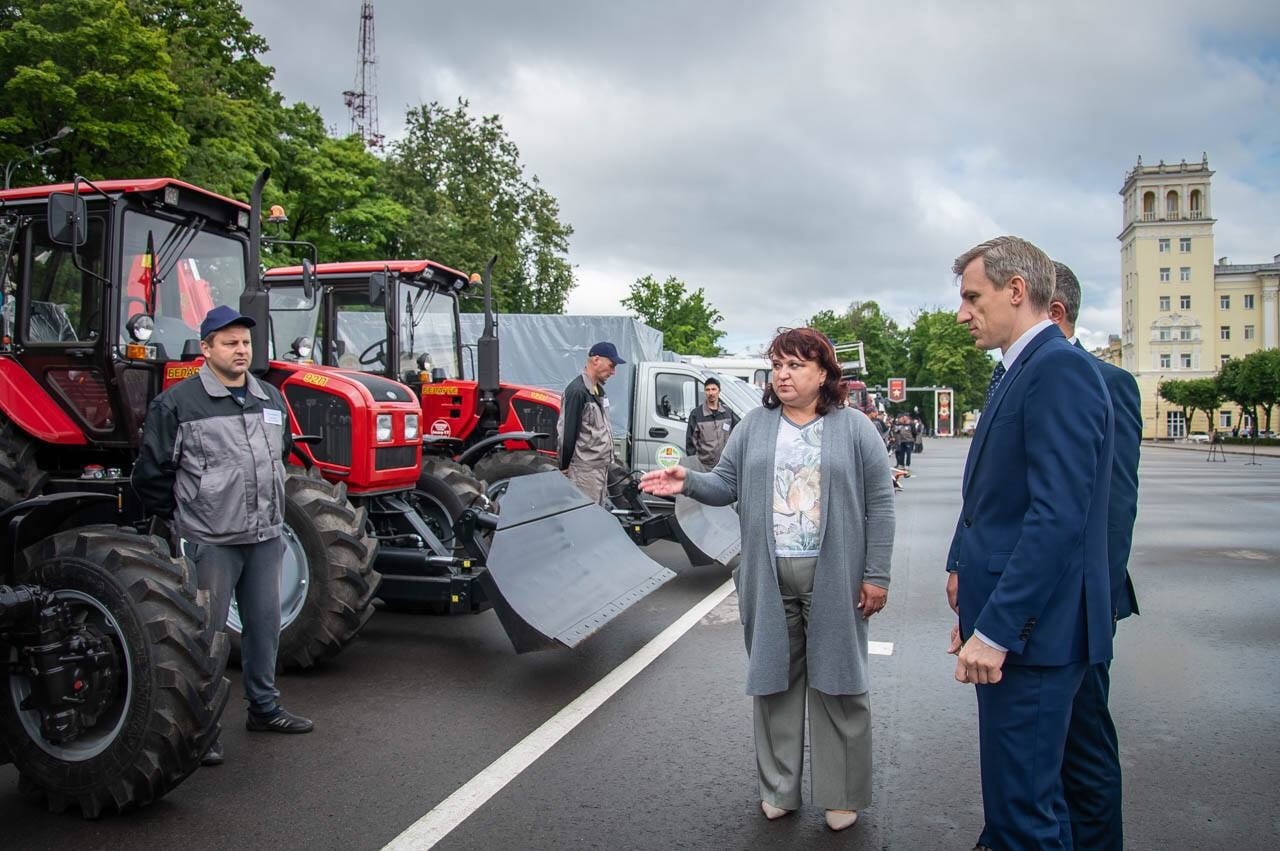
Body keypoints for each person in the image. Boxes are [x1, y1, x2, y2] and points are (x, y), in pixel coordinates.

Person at [640, 327, 895, 832]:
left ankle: (842, 793)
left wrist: (876, 574)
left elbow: (880, 503)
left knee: (839, 683)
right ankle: (779, 787)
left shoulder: (855, 428)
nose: (783, 374)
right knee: (774, 682)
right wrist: (687, 480)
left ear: (824, 373)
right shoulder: (754, 425)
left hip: (835, 574)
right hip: (768, 573)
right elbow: (725, 484)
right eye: (777, 364)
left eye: (796, 365)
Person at [943, 237, 1114, 850]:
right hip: (1026, 631)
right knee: (1031, 805)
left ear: (1016, 290)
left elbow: (1056, 518)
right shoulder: (1023, 368)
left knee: (1023, 817)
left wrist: (996, 629)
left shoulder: (1058, 368)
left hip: (1034, 639)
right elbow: (1001, 503)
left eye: (971, 296)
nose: (962, 312)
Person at [133, 306, 314, 768]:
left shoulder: (269, 398)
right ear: (207, 347)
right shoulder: (177, 404)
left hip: (265, 535)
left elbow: (283, 455)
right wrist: (185, 519)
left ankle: (264, 708)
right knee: (204, 635)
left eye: (246, 343)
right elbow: (151, 474)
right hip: (211, 538)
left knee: (264, 627)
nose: (241, 350)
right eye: (230, 342)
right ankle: (201, 725)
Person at [1049, 261, 1141, 850]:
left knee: (1083, 746)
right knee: (1039, 746)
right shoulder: (1015, 376)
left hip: (1079, 603)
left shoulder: (1109, 382)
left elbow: (1116, 504)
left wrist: (1097, 600)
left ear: (1053, 312)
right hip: (1029, 602)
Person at [558, 341, 624, 504]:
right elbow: (567, 434)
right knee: (585, 520)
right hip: (584, 473)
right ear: (596, 360)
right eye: (611, 365)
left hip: (599, 470)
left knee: (596, 516)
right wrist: (564, 466)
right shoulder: (577, 391)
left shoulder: (597, 391)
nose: (613, 372)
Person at [685, 376, 739, 468]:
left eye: (713, 389)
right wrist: (695, 467)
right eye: (707, 390)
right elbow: (690, 444)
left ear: (719, 391)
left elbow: (737, 436)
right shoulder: (696, 414)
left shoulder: (728, 413)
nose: (711, 393)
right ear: (705, 392)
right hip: (704, 467)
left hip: (725, 466)